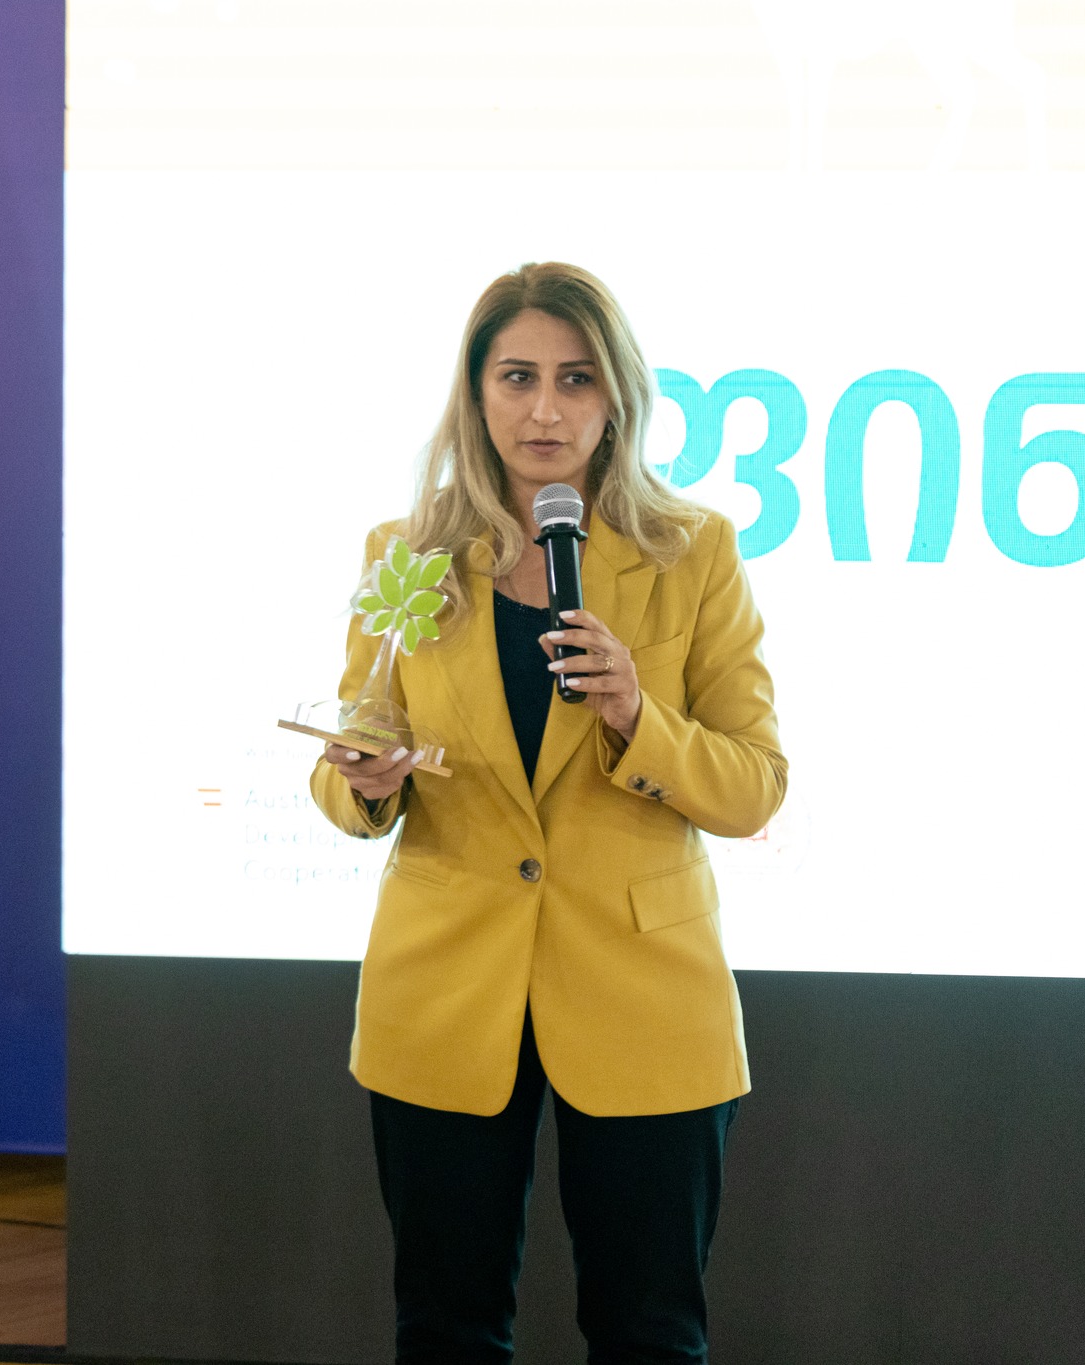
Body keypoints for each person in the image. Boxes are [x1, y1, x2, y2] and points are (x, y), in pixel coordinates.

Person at [309, 262, 786, 1365]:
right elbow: (352, 752)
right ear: (475, 393)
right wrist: (362, 781)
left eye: (575, 379)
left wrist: (637, 715)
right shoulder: (405, 554)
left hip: (641, 993)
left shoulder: (692, 553)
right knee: (445, 1329)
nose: (544, 409)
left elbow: (753, 783)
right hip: (444, 988)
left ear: (616, 396)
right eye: (516, 376)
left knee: (649, 1334)